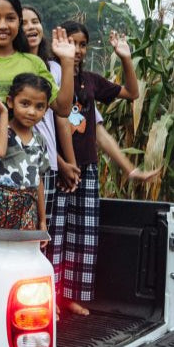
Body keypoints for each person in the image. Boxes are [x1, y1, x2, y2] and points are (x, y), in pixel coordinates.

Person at [48, 21, 140, 316]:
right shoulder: (50, 75)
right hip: (59, 168)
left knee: (83, 234)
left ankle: (70, 297)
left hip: (86, 168)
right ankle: (50, 296)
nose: (77, 50)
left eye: (82, 44)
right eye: (70, 42)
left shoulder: (91, 81)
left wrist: (125, 57)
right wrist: (65, 163)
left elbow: (132, 93)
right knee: (56, 234)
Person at [0, 0, 74, 117]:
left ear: (19, 22)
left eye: (10, 18)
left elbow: (63, 109)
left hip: (21, 137)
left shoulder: (34, 63)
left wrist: (67, 62)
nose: (3, 25)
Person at [22, 5, 79, 220]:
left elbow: (62, 117)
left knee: (44, 233)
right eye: (23, 23)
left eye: (34, 21)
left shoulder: (54, 69)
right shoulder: (15, 66)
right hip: (22, 158)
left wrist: (67, 163)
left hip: (49, 164)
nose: (30, 27)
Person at [0, 74, 50, 244]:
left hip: (28, 209)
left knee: (22, 257)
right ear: (10, 101)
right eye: (25, 104)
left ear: (46, 109)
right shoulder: (1, 131)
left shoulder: (40, 141)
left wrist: (42, 220)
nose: (32, 111)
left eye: (39, 106)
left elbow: (38, 180)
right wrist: (3, 115)